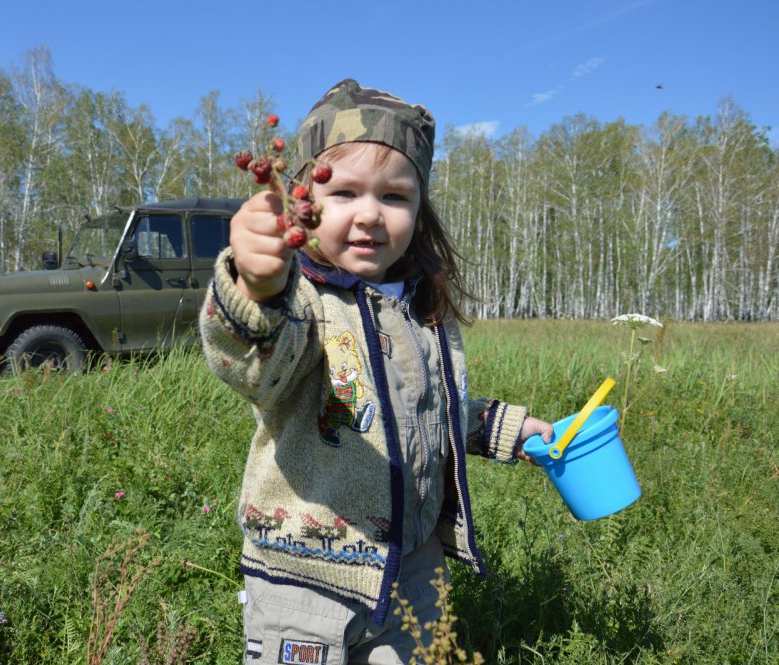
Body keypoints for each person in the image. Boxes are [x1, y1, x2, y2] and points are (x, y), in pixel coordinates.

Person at [200, 79, 553, 664]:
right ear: (302, 204)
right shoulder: (304, 303)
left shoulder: (416, 308)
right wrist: (254, 288)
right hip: (307, 585)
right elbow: (256, 366)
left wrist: (511, 429)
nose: (369, 215)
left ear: (420, 208)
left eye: (394, 196)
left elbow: (431, 409)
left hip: (414, 572)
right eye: (343, 193)